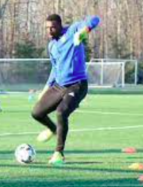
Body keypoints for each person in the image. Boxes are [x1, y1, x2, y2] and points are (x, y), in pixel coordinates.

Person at [31, 14, 100, 165]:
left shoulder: (73, 31)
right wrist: (46, 88)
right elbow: (55, 69)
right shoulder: (51, 45)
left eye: (53, 27)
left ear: (60, 25)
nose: (49, 31)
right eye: (47, 28)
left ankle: (59, 153)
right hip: (58, 86)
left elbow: (95, 19)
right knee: (36, 113)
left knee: (61, 112)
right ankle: (54, 129)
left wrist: (85, 31)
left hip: (77, 84)